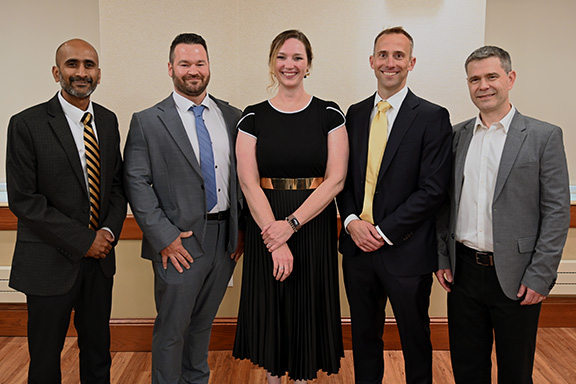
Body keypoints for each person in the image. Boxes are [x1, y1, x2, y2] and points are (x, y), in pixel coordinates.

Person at [435, 45, 570, 384]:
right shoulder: (455, 136)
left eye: (491, 76)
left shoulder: (543, 136)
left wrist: (540, 275)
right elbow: (444, 203)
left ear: (510, 78)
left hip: (518, 275)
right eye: (474, 79)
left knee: (515, 370)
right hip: (463, 272)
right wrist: (442, 257)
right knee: (467, 367)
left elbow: (556, 212)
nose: (483, 86)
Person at [123, 33, 244, 384]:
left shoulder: (232, 116)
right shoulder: (147, 121)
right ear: (171, 68)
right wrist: (165, 238)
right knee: (172, 329)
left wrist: (241, 233)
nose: (193, 70)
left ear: (209, 66)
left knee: (202, 324)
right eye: (185, 63)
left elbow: (242, 181)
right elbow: (135, 183)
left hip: (225, 242)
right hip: (180, 243)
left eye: (200, 63)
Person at [6, 39, 126, 384]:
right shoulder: (26, 124)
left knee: (98, 354)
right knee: (45, 361)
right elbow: (25, 199)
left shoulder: (107, 121)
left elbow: (117, 186)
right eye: (72, 64)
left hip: (99, 264)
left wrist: (107, 234)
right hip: (47, 263)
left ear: (99, 74)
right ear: (56, 72)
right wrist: (83, 240)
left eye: (89, 65)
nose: (81, 72)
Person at [336, 26, 452, 384]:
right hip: (357, 250)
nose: (390, 62)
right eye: (383, 55)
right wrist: (352, 220)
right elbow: (340, 178)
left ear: (411, 62)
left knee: (414, 339)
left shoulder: (432, 117)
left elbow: (433, 190)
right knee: (364, 338)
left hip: (406, 251)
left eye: (399, 55)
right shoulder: (353, 115)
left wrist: (384, 232)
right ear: (371, 61)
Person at [232, 29, 348, 383]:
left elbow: (336, 180)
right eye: (282, 57)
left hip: (312, 221)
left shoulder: (330, 114)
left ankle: (300, 377)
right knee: (272, 302)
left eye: (298, 57)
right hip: (264, 221)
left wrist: (292, 225)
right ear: (272, 63)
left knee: (305, 306)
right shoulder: (251, 118)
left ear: (309, 65)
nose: (289, 65)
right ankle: (271, 376)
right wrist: (275, 237)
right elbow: (249, 182)